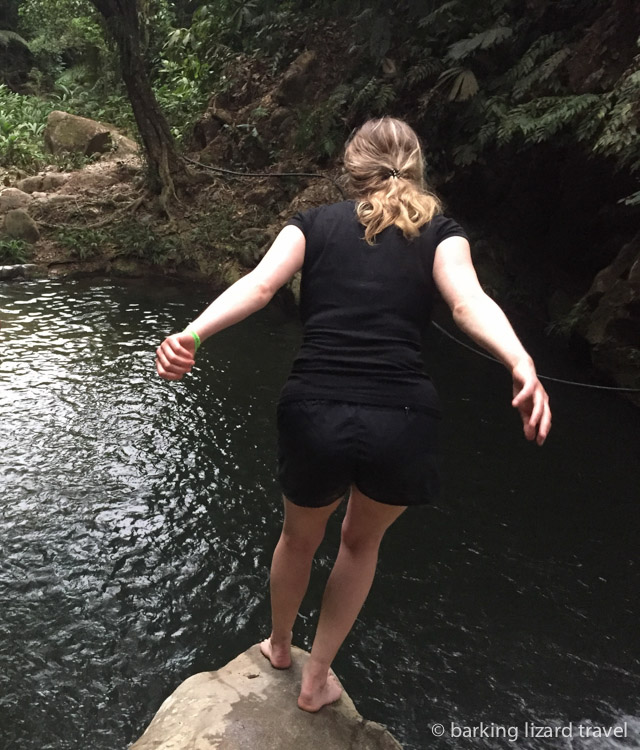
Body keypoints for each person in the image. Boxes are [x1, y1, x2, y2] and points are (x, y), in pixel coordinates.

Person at [155, 117, 551, 713]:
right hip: (404, 417)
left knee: (298, 536)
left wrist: (192, 334)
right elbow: (469, 301)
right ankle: (318, 679)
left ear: (352, 169)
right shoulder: (443, 234)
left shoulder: (313, 225)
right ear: (416, 167)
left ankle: (280, 646)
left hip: (315, 408)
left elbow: (261, 286)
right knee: (359, 546)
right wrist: (519, 361)